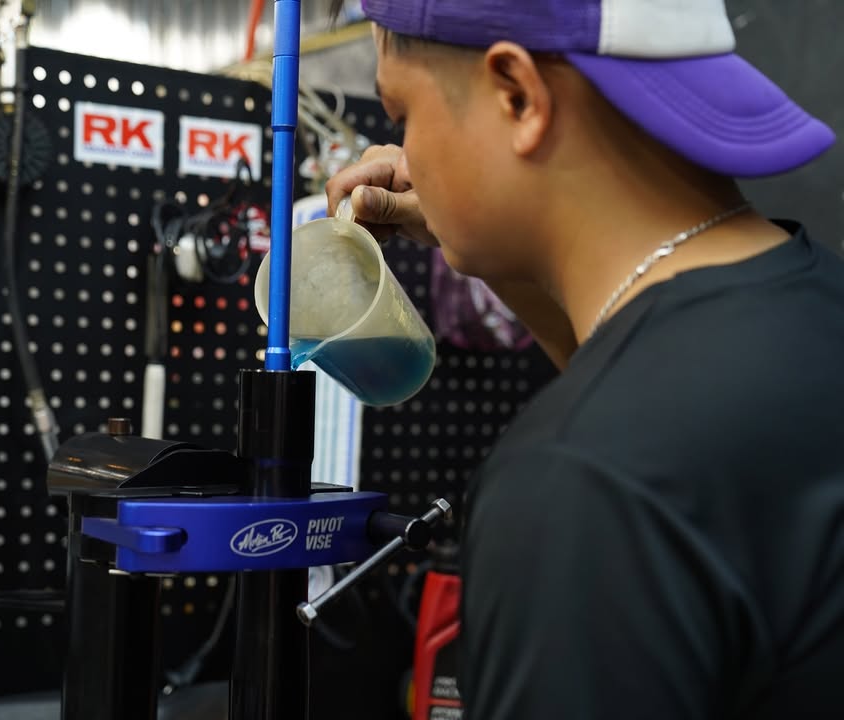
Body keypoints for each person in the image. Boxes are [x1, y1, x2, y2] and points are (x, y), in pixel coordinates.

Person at [326, 0, 844, 718]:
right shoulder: (811, 302)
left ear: (517, 95)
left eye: (402, 113)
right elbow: (633, 365)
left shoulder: (579, 483)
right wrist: (476, 218)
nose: (402, 151)